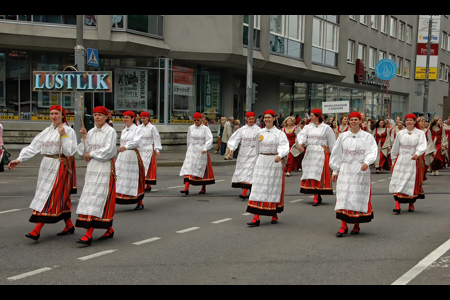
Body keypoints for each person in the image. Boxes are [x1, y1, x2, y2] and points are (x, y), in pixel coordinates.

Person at [8, 105, 77, 241]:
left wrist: (63, 135)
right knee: (60, 196)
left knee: (50, 195)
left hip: (59, 165)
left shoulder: (69, 131)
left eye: (56, 113)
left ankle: (37, 229)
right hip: (46, 164)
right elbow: (34, 147)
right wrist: (19, 159)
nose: (53, 116)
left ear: (62, 115)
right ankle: (69, 225)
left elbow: (70, 151)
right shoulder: (46, 131)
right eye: (51, 113)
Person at [330, 112, 377, 237]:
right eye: (351, 120)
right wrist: (335, 171)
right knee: (343, 195)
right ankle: (343, 225)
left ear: (360, 121)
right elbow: (337, 154)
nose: (353, 122)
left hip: (359, 169)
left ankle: (356, 225)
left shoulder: (367, 136)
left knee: (357, 196)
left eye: (356, 120)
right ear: (348, 121)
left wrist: (367, 162)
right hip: (345, 169)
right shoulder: (343, 136)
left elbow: (372, 151)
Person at [75, 106, 118, 246]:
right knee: (91, 197)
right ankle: (109, 228)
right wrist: (83, 138)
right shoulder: (91, 131)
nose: (97, 117)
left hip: (104, 167)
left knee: (99, 198)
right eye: (95, 115)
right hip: (92, 168)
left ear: (106, 117)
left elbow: (109, 150)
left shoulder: (110, 131)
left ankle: (89, 234)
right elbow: (82, 151)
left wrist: (91, 154)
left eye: (100, 115)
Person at [246, 109, 289, 226]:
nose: (267, 120)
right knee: (258, 187)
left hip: (273, 161)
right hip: (261, 161)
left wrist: (280, 155)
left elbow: (284, 146)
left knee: (272, 187)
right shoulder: (259, 133)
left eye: (269, 117)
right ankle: (256, 217)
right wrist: (254, 161)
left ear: (274, 118)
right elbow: (256, 148)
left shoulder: (279, 134)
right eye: (265, 117)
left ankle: (274, 213)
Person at [389, 114, 427, 214]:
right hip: (401, 159)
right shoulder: (400, 133)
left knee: (411, 181)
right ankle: (397, 205)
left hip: (413, 160)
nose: (409, 122)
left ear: (415, 122)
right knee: (398, 181)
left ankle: (411, 204)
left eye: (411, 120)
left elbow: (422, 145)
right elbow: (395, 147)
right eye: (407, 120)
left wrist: (417, 153)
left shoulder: (420, 133)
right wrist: (393, 160)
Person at [297, 108, 336, 206]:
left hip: (321, 151)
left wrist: (334, 155)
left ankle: (317, 194)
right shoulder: (308, 127)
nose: (310, 117)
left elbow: (332, 142)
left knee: (320, 174)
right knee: (311, 172)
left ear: (318, 116)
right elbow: (302, 135)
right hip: (311, 152)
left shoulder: (326, 128)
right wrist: (301, 143)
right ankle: (315, 193)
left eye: (312, 116)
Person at [115, 111, 146, 210]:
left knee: (133, 177)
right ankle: (118, 197)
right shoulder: (124, 130)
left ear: (133, 118)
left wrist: (126, 146)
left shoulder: (137, 129)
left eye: (127, 117)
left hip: (132, 154)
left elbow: (136, 141)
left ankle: (139, 201)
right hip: (122, 156)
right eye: (124, 117)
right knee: (119, 176)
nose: (125, 119)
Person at [227, 111, 260, 199]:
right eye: (250, 119)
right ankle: (250, 191)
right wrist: (232, 148)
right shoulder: (242, 129)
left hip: (253, 153)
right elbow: (235, 139)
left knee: (249, 172)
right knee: (244, 172)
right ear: (246, 119)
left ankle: (244, 192)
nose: (251, 121)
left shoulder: (258, 130)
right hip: (243, 153)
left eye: (253, 119)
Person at [180, 112, 215, 195]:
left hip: (201, 150)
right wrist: (188, 149)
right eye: (195, 120)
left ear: (201, 120)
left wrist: (205, 148)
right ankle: (186, 188)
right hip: (192, 150)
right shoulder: (191, 128)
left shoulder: (205, 129)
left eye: (198, 120)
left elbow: (209, 139)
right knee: (188, 168)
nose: (196, 121)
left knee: (202, 169)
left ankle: (203, 187)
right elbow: (189, 139)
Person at [138, 111, 162, 192]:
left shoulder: (152, 128)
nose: (142, 119)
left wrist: (157, 149)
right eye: (141, 118)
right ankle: (141, 183)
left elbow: (156, 138)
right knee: (141, 165)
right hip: (141, 149)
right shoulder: (139, 127)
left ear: (148, 118)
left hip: (149, 148)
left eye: (144, 118)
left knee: (148, 166)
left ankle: (148, 184)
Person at [418, 116, 436, 181]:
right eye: (421, 122)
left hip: (424, 149)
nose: (423, 123)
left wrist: (430, 150)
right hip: (417, 149)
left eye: (424, 122)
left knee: (424, 165)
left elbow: (430, 141)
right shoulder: (416, 131)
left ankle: (422, 176)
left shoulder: (427, 131)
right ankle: (418, 178)